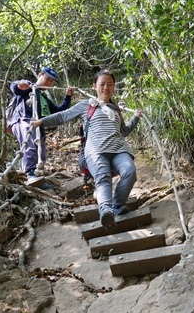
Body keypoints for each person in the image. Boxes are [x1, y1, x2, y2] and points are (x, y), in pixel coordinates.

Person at [32, 69, 143, 228]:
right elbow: (63, 116)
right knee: (103, 176)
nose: (106, 88)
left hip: (119, 148)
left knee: (130, 172)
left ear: (113, 87)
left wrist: (135, 118)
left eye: (110, 84)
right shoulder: (87, 105)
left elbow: (123, 131)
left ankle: (117, 205)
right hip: (95, 150)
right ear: (94, 86)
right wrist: (41, 122)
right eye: (102, 84)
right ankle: (106, 210)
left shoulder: (116, 108)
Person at [9, 66, 76, 178]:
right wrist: (20, 84)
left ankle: (37, 173)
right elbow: (14, 87)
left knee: (41, 148)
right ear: (40, 75)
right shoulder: (30, 87)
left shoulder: (43, 97)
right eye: (47, 79)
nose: (49, 83)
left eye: (51, 81)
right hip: (23, 121)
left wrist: (68, 97)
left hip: (37, 125)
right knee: (30, 141)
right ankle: (29, 173)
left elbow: (59, 111)